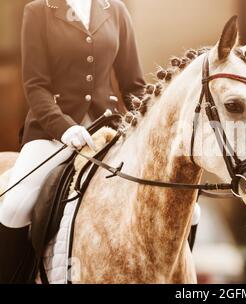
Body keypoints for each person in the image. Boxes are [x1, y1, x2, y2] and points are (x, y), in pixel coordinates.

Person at [0, 0, 146, 283]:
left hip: (107, 133)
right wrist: (64, 127)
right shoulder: (39, 11)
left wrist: (147, 126)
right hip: (51, 131)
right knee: (15, 205)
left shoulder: (115, 9)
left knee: (190, 211)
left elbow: (134, 86)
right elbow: (36, 85)